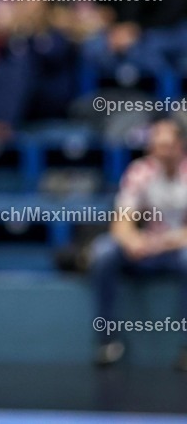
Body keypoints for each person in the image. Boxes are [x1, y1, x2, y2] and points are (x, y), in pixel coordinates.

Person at [90, 118, 187, 370]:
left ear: (180, 145)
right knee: (104, 251)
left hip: (176, 249)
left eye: (166, 145)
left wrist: (165, 243)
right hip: (145, 249)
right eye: (155, 145)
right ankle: (108, 341)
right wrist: (132, 240)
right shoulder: (140, 172)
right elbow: (121, 220)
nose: (159, 151)